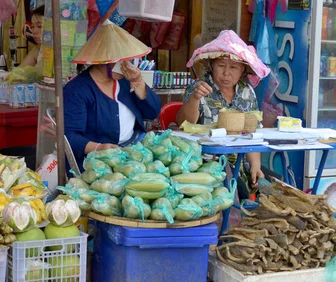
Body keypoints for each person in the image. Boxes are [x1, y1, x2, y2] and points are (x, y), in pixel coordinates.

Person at [176, 30, 270, 194]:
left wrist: (255, 166)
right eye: (221, 66)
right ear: (211, 66)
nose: (227, 73)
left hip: (239, 164)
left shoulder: (246, 91)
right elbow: (184, 125)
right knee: (234, 192)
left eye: (234, 67)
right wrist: (195, 98)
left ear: (242, 70)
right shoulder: (199, 87)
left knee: (264, 190)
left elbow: (253, 133)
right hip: (204, 165)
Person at [64, 20, 161, 170]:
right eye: (122, 60)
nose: (127, 64)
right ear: (104, 61)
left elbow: (153, 112)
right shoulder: (77, 90)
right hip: (98, 164)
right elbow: (69, 136)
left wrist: (138, 81)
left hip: (133, 151)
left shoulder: (125, 82)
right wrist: (99, 148)